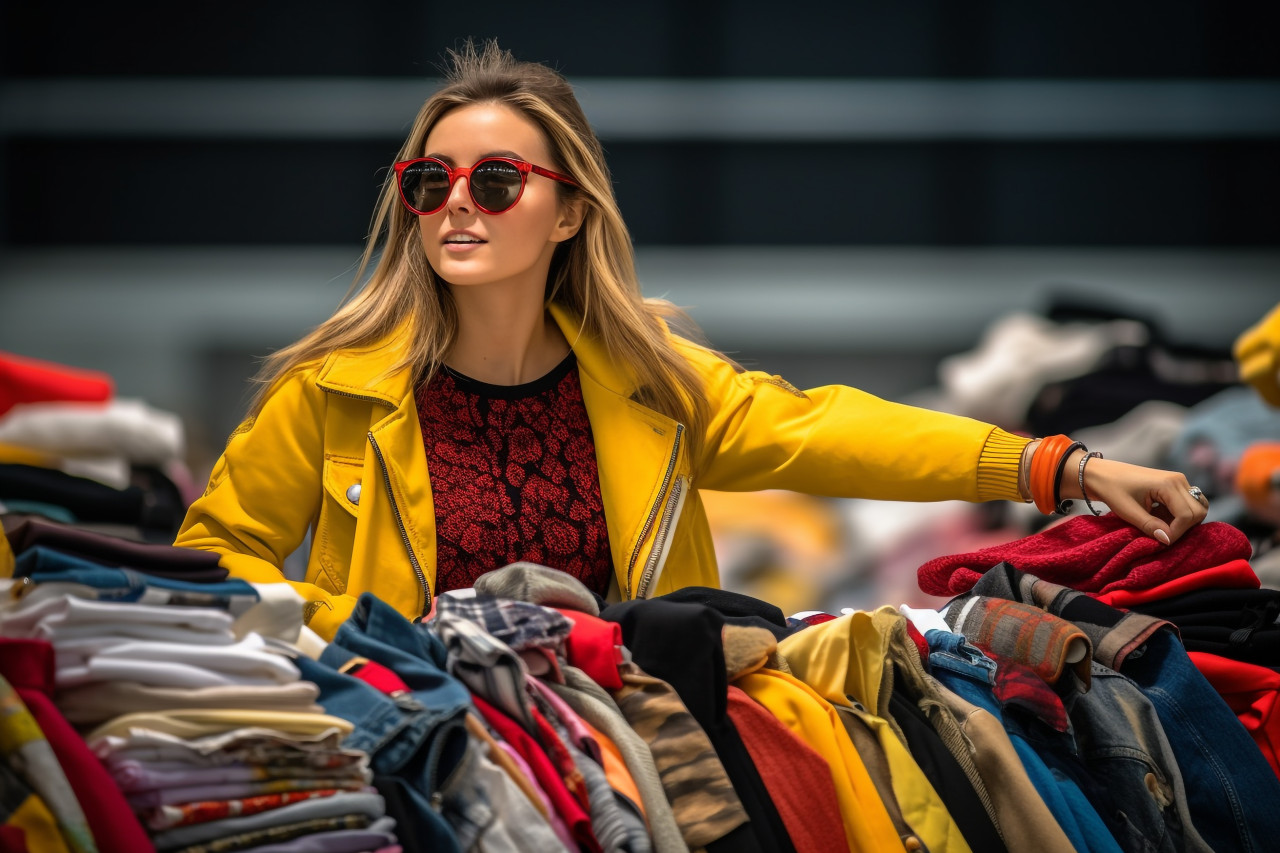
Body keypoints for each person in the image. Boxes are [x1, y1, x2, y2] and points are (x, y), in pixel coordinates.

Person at [173, 41, 1209, 639]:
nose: (456, 204)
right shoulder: (333, 391)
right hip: (417, 746)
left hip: (633, 751)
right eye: (429, 181)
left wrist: (1061, 467)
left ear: (568, 212)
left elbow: (827, 432)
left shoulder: (651, 386)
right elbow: (212, 556)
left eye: (494, 181)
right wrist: (341, 630)